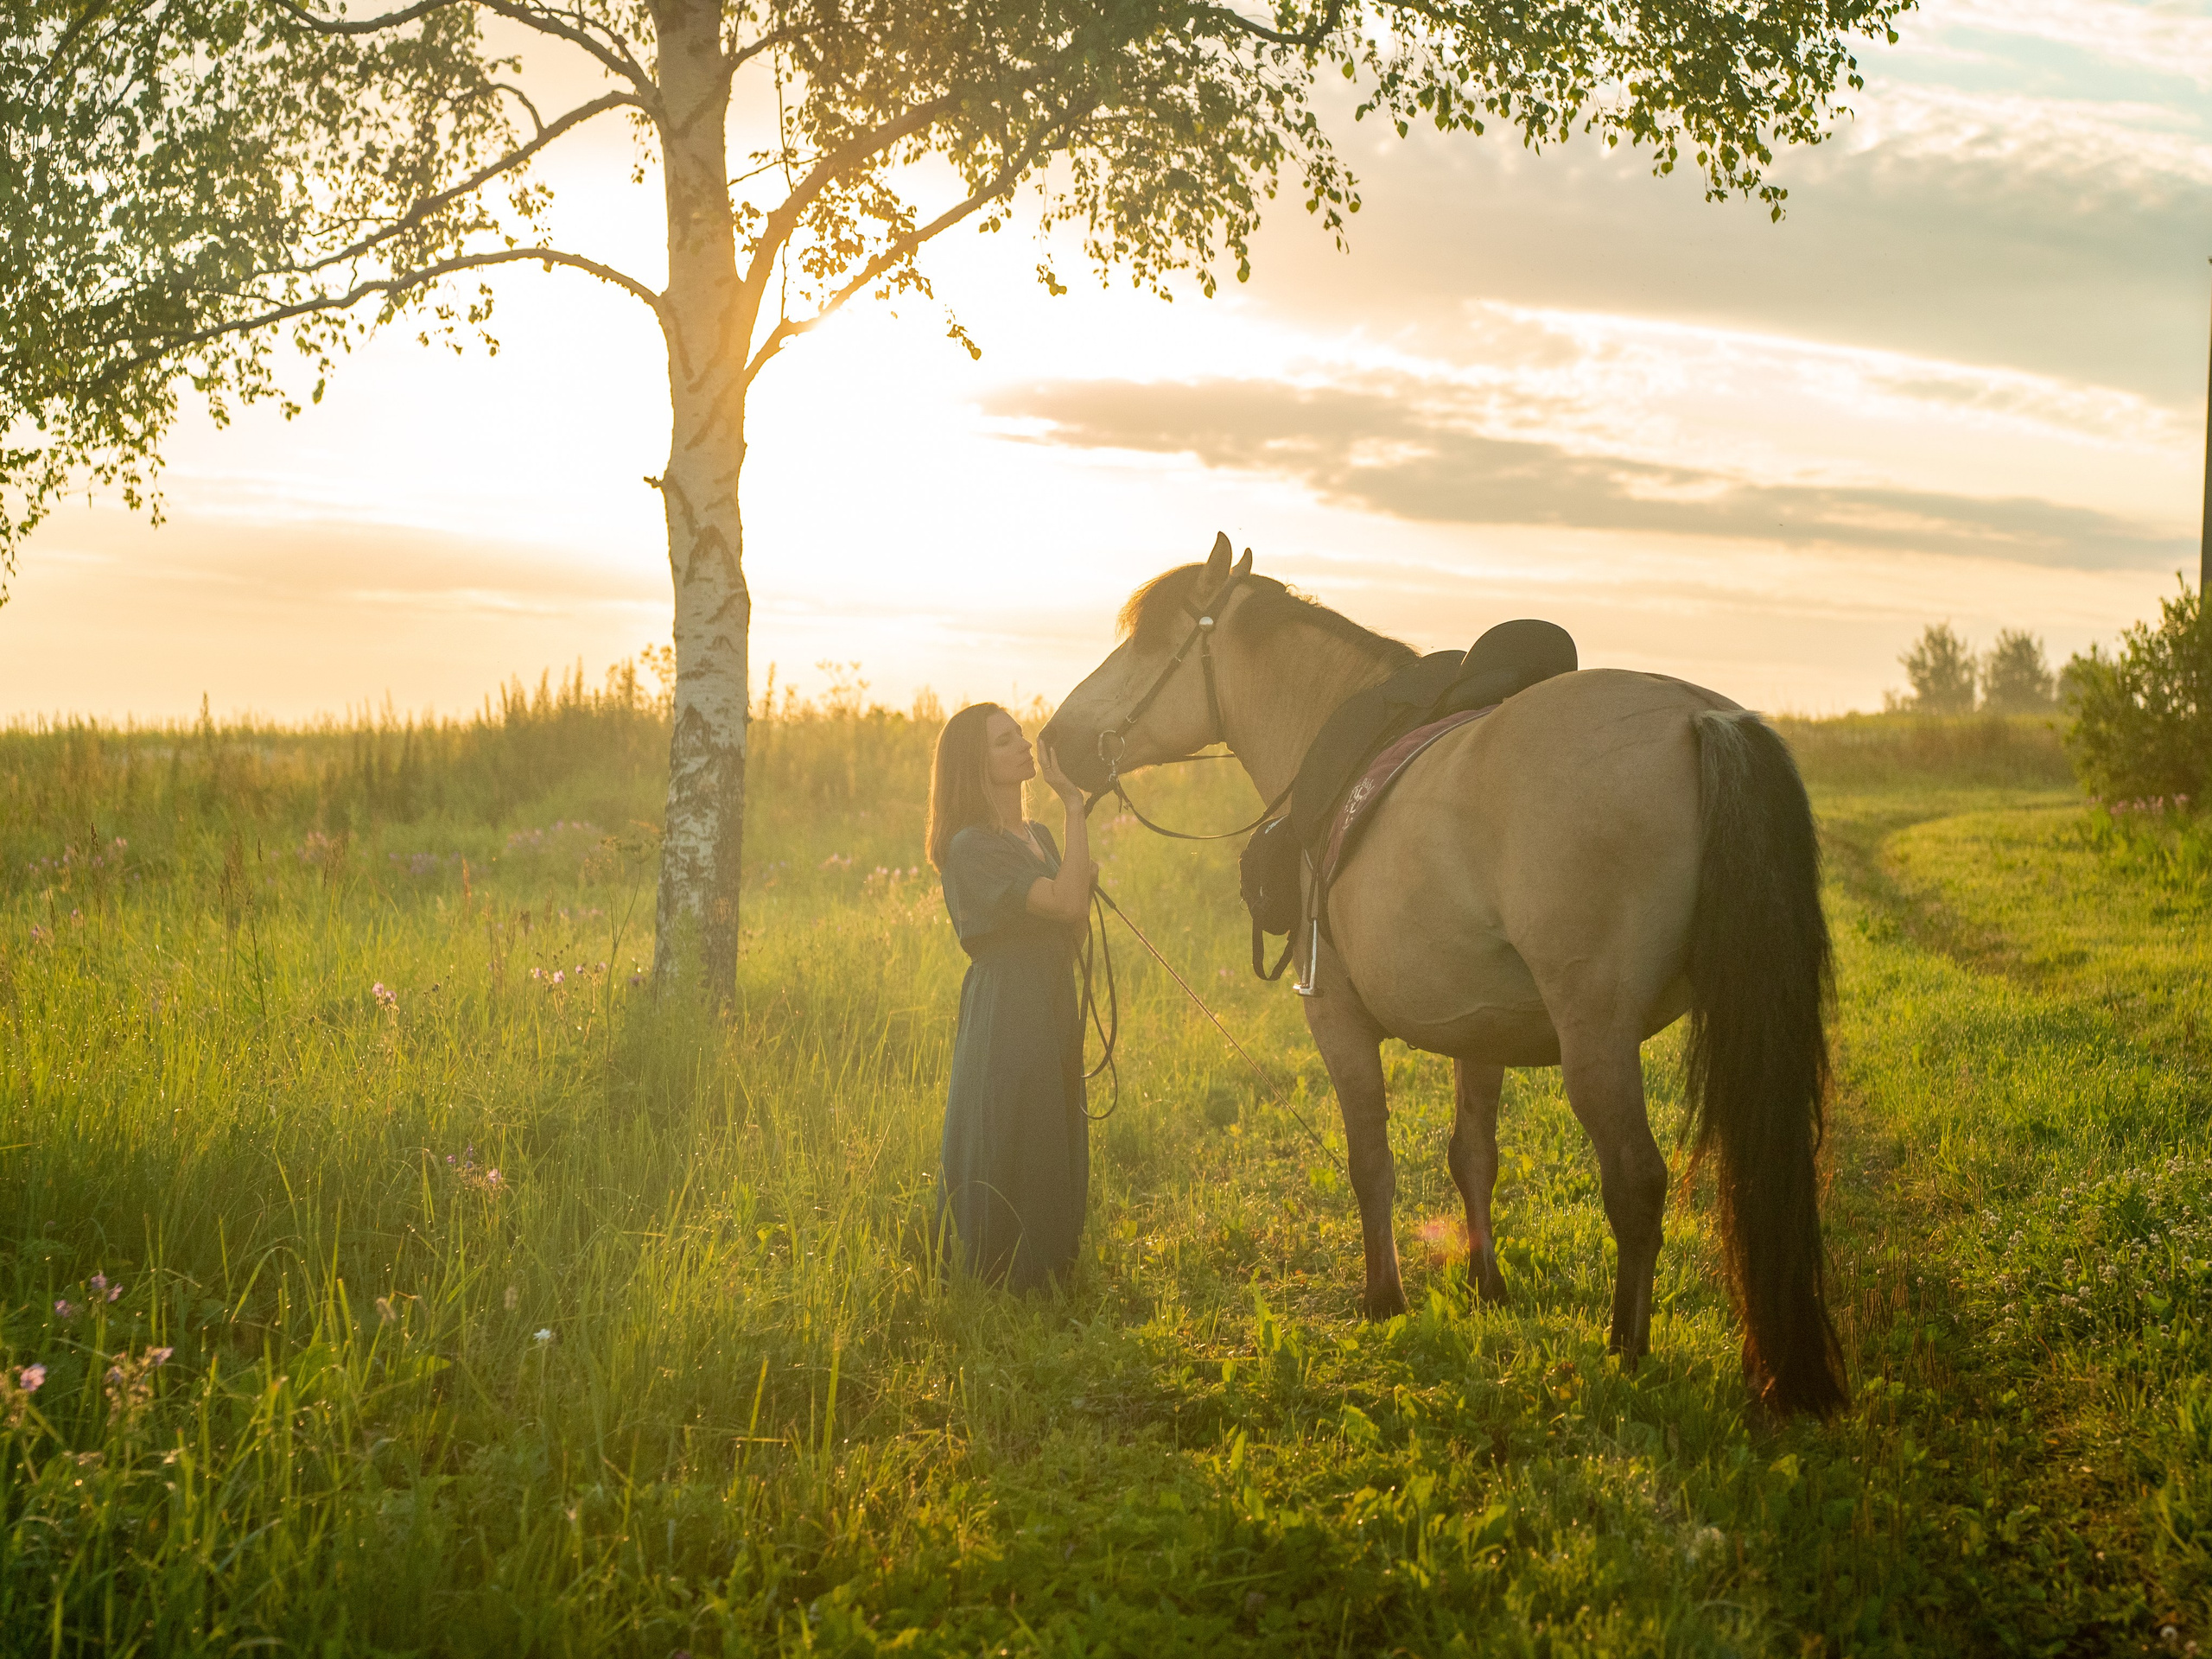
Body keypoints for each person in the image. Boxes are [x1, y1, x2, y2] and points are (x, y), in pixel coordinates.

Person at [925, 702, 1097, 1292]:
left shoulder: (1037, 836)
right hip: (1008, 1000)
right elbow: (1071, 904)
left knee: (1054, 1118)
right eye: (1005, 741)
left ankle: (1051, 1264)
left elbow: (1074, 923)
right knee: (1017, 1124)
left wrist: (1070, 871)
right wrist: (1076, 804)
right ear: (976, 763)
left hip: (1052, 989)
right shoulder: (971, 845)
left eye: (1020, 734)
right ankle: (1004, 1271)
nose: (1025, 745)